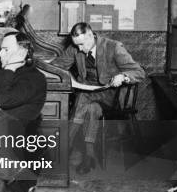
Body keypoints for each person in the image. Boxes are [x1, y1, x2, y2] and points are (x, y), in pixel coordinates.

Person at [51, 22, 145, 174]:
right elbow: (57, 66)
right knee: (90, 109)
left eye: (81, 44)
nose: (79, 49)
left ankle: (63, 150)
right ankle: (88, 157)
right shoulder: (76, 47)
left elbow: (139, 72)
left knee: (83, 100)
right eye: (77, 45)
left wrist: (123, 76)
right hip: (90, 94)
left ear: (90, 35)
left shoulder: (113, 47)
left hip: (112, 95)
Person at [0, 31, 47, 130]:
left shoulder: (34, 78)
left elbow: (2, 100)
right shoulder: (9, 72)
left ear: (22, 52)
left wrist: (10, 68)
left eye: (5, 50)